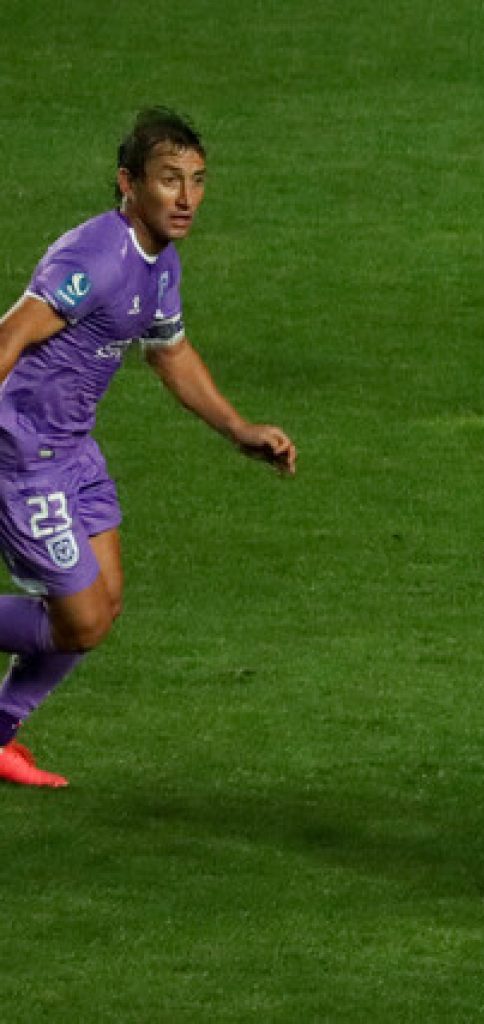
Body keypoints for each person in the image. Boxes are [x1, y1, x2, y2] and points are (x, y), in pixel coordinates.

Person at [0, 107, 297, 787]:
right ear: (128, 184)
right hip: (21, 453)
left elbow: (170, 351)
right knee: (76, 621)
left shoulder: (160, 265)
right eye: (170, 180)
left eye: (197, 180)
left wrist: (238, 428)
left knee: (103, 605)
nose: (187, 197)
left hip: (73, 450)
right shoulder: (95, 256)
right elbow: (9, 337)